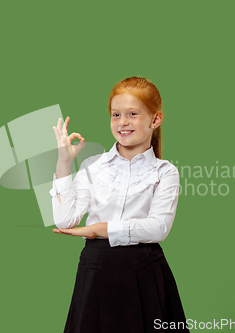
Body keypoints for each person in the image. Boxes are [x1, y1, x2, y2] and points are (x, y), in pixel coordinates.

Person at [49, 76, 189, 332]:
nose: (123, 122)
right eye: (116, 115)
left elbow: (158, 228)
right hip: (95, 270)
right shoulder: (93, 165)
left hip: (144, 271)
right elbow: (65, 220)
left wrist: (99, 229)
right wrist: (64, 163)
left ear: (155, 119)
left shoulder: (165, 172)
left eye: (133, 113)